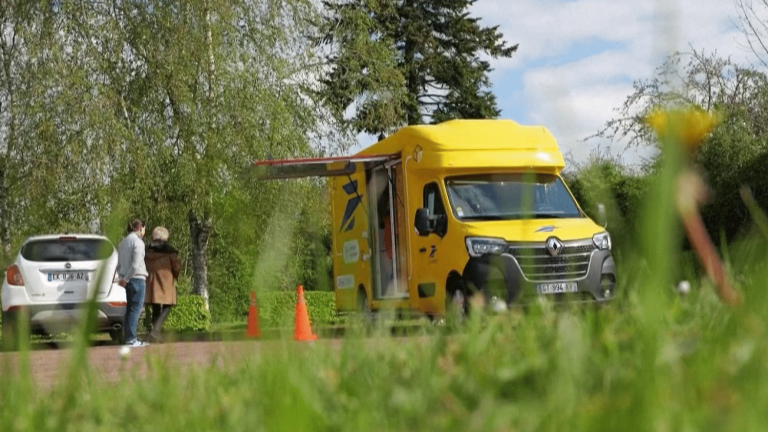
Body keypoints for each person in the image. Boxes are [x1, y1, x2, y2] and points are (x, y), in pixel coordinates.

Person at [144, 226, 181, 342]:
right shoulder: (170, 252)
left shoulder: (146, 250)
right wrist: (175, 275)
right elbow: (177, 267)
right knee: (168, 305)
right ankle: (155, 331)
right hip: (165, 281)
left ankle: (154, 333)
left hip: (150, 281)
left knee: (155, 305)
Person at [117, 219, 150, 347]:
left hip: (127, 278)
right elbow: (136, 265)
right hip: (136, 278)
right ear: (140, 228)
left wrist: (122, 277)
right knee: (136, 309)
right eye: (144, 228)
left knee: (129, 308)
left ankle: (127, 337)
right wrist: (127, 278)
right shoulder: (138, 243)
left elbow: (119, 264)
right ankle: (131, 339)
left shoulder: (123, 242)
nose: (144, 231)